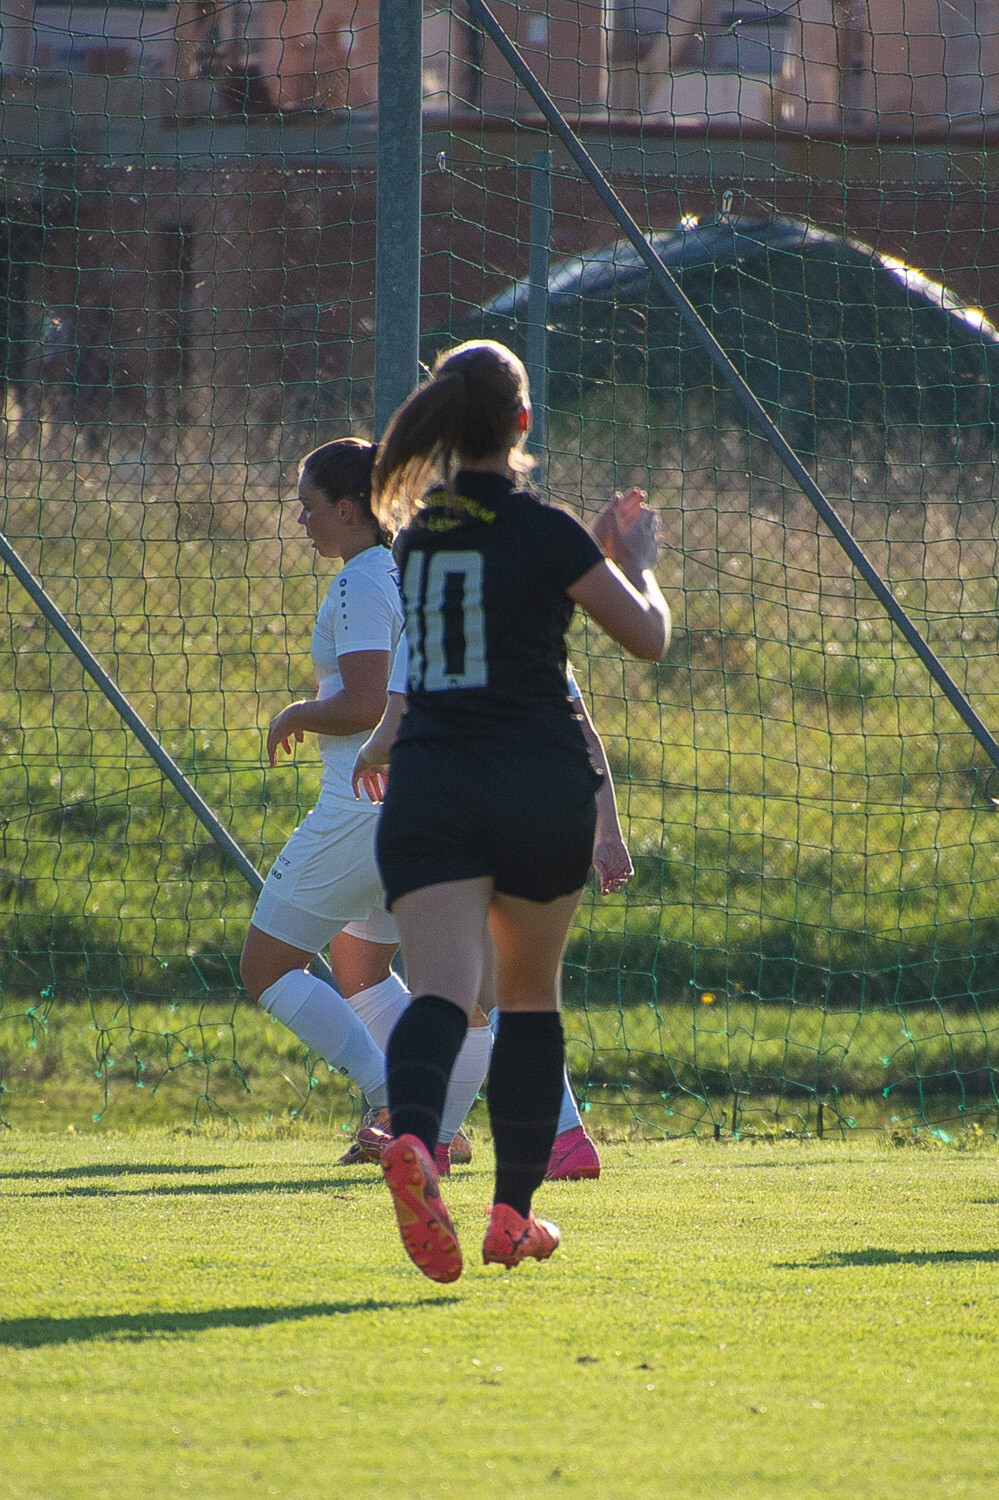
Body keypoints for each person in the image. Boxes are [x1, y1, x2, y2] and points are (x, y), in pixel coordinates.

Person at [368, 340, 669, 1282]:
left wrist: (589, 552)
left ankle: (414, 1136)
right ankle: (512, 1215)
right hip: (537, 783)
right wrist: (637, 563)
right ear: (523, 424)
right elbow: (648, 638)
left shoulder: (417, 537)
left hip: (432, 782)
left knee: (441, 992)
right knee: (530, 998)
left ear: (447, 421)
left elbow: (468, 619)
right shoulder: (548, 531)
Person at [354, 633, 638, 1181]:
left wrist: (367, 756)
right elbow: (583, 734)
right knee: (497, 988)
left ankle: (558, 1136)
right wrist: (609, 832)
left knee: (460, 985)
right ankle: (441, 1140)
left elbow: (392, 731)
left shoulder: (430, 619)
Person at [239, 438, 416, 1161]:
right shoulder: (402, 571)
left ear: (348, 509)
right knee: (360, 968)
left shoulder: (360, 582)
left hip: (358, 808)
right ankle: (436, 1120)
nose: (300, 520)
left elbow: (369, 703)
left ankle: (397, 1100)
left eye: (309, 507)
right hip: (408, 805)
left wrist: (297, 713)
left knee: (265, 967)